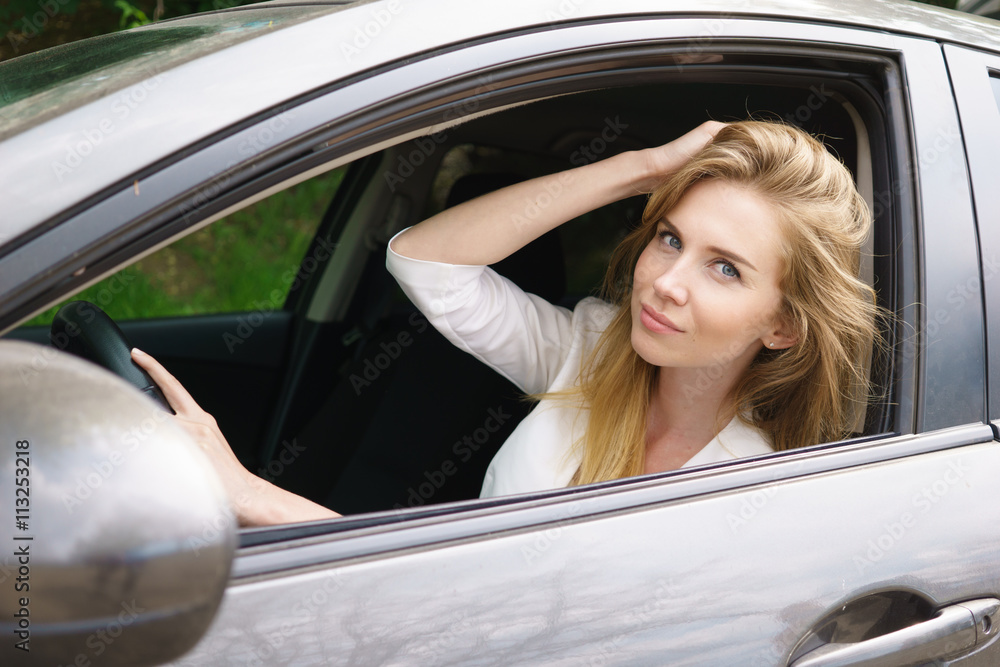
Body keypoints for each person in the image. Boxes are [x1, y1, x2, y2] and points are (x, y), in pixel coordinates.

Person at [133, 119, 881, 524]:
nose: (665, 281)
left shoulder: (757, 492)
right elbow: (427, 265)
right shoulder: (592, 352)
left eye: (725, 268)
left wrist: (254, 494)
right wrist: (644, 167)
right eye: (669, 237)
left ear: (781, 326)